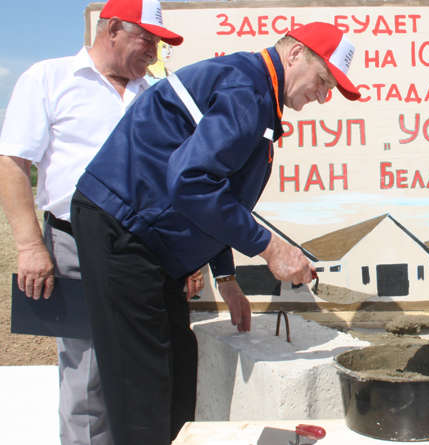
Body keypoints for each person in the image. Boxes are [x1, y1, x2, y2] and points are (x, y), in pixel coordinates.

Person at [69, 21, 362, 445]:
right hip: (124, 231)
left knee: (179, 366)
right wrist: (270, 247)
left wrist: (225, 277)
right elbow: (191, 183)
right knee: (142, 391)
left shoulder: (257, 92)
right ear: (296, 53)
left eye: (329, 88)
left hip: (150, 244)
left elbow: (221, 197)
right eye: (322, 81)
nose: (322, 96)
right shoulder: (247, 90)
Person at [0, 1, 200, 444]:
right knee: (88, 373)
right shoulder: (48, 78)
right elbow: (12, 164)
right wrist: (30, 247)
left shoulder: (154, 94)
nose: (153, 51)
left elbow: (176, 179)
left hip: (148, 252)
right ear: (111, 30)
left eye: (158, 43)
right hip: (77, 244)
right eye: (146, 39)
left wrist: (185, 257)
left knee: (147, 368)